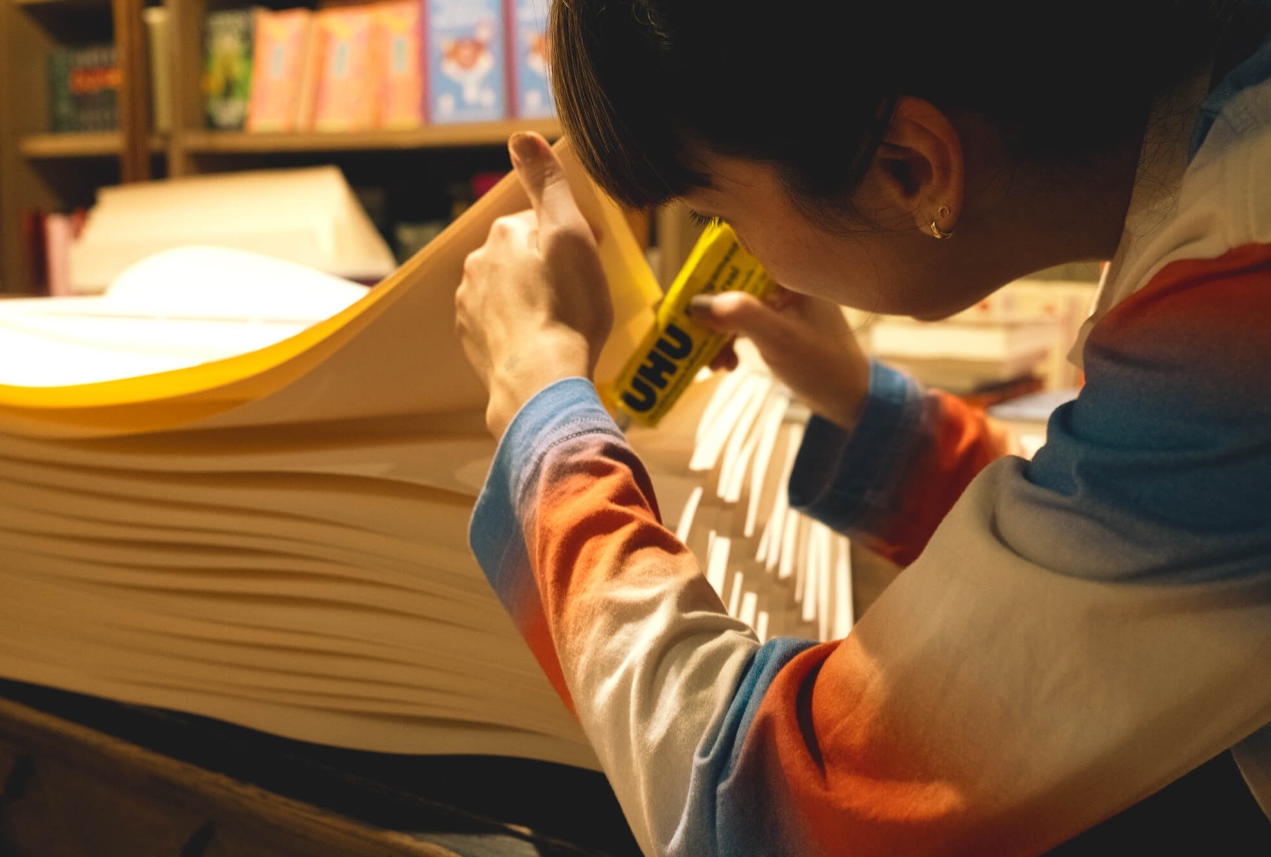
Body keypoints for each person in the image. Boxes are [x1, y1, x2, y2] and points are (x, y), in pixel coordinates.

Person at [453, 1, 1271, 853]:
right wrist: (865, 410)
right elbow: (1140, 527)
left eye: (714, 214)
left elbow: (766, 809)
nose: (737, 248)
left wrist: (539, 407)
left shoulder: (1240, 298)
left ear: (907, 168)